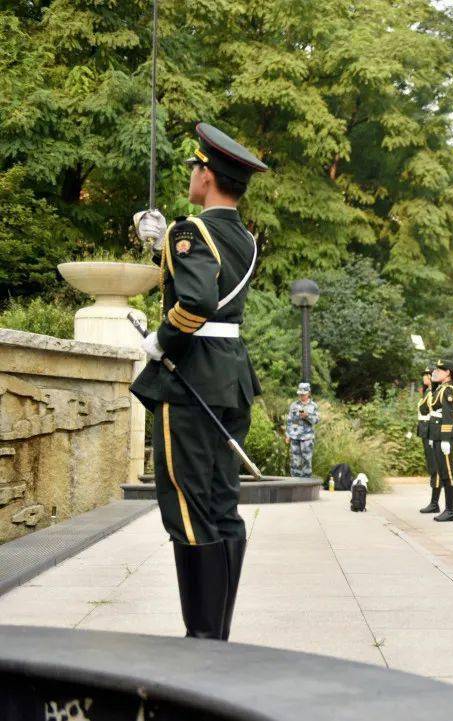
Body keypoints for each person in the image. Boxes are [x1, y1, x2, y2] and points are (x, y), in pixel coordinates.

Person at [130, 122, 267, 640]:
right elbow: (210, 278)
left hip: (191, 378)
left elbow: (197, 300)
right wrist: (159, 245)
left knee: (186, 507)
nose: (191, 176)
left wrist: (163, 340)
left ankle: (202, 640)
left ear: (207, 176)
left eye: (194, 168)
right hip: (230, 376)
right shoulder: (244, 237)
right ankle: (217, 637)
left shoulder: (189, 231)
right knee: (221, 505)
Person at [429, 360, 453, 522]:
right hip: (437, 435)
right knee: (443, 473)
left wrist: (446, 439)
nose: (436, 372)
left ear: (448, 372)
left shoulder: (449, 389)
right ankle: (447, 509)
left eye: (440, 370)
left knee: (448, 473)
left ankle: (450, 510)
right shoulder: (440, 388)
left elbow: (448, 415)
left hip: (444, 436)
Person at [417, 368, 442, 514]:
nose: (424, 377)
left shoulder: (434, 392)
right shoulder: (428, 392)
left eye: (426, 375)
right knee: (431, 465)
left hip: (431, 430)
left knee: (435, 467)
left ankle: (434, 503)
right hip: (426, 430)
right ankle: (434, 502)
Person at [285, 383, 320, 478]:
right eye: (300, 394)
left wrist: (307, 416)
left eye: (303, 394)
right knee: (295, 461)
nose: (301, 396)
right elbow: (290, 421)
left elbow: (316, 420)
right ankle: (295, 481)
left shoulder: (313, 406)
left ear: (309, 393)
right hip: (295, 437)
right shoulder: (294, 405)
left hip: (307, 438)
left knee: (306, 460)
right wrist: (288, 435)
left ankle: (306, 482)